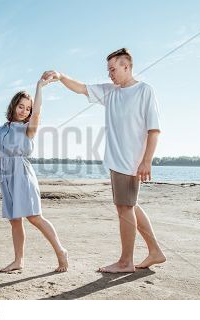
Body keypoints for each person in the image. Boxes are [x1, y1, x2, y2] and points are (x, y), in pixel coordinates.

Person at [42, 48, 166, 273]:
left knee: (124, 209)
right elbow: (81, 88)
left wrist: (147, 160)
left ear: (126, 66)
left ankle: (126, 262)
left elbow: (154, 130)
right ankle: (155, 250)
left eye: (113, 69)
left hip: (130, 162)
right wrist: (60, 77)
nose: (110, 74)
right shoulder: (110, 92)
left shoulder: (145, 91)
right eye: (108, 70)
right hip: (116, 161)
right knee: (130, 206)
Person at [0, 77, 69, 273]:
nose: (24, 111)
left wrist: (39, 87)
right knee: (15, 220)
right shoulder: (1, 129)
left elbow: (37, 114)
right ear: (14, 106)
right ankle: (18, 261)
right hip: (6, 177)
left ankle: (61, 251)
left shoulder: (28, 129)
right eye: (21, 106)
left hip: (22, 175)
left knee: (34, 217)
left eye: (27, 108)